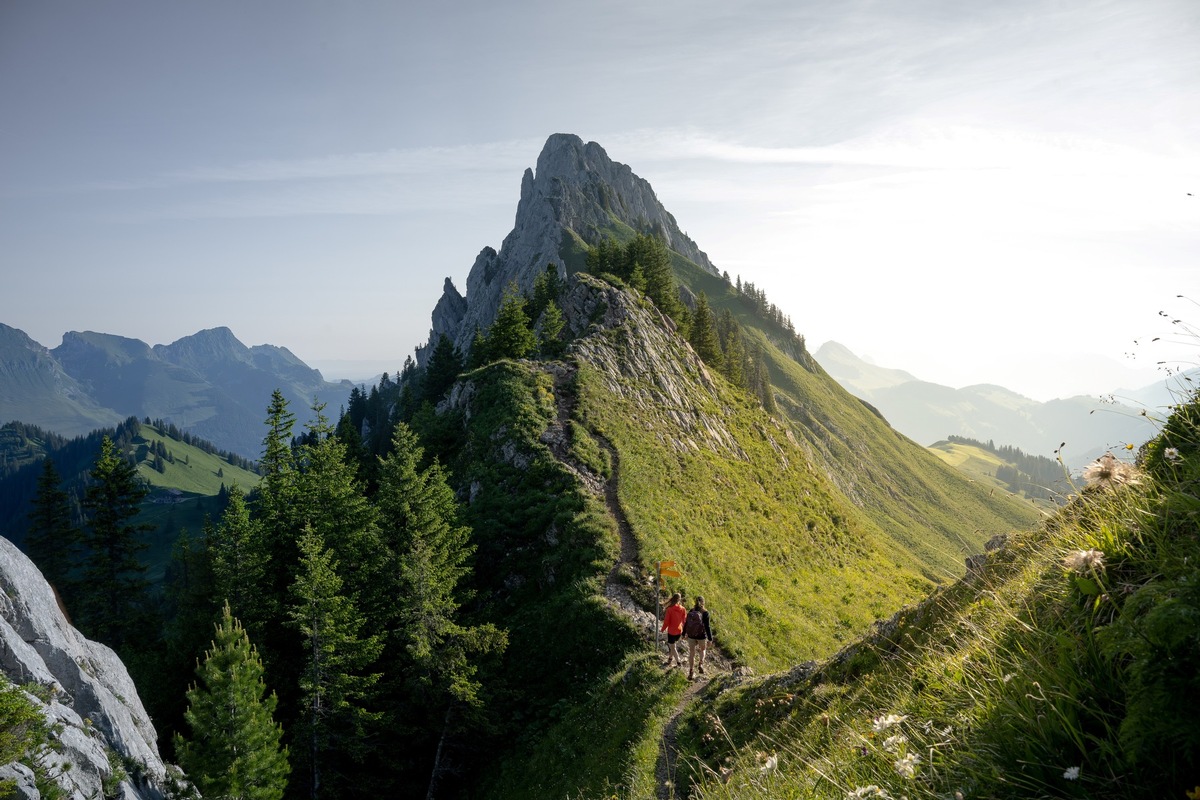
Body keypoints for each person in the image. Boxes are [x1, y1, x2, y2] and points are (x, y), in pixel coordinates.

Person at [685, 595, 713, 681]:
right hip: (701, 635)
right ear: (703, 603)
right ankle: (700, 663)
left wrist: (684, 633)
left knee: (691, 653)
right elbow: (707, 627)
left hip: (691, 635)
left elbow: (686, 623)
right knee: (703, 649)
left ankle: (691, 671)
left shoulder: (691, 611)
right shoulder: (705, 613)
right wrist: (710, 638)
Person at [660, 592, 686, 668]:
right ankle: (670, 659)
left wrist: (662, 629)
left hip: (672, 631)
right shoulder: (683, 609)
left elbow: (666, 621)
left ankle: (678, 662)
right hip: (679, 631)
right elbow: (684, 621)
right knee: (673, 646)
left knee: (673, 647)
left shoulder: (669, 609)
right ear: (679, 599)